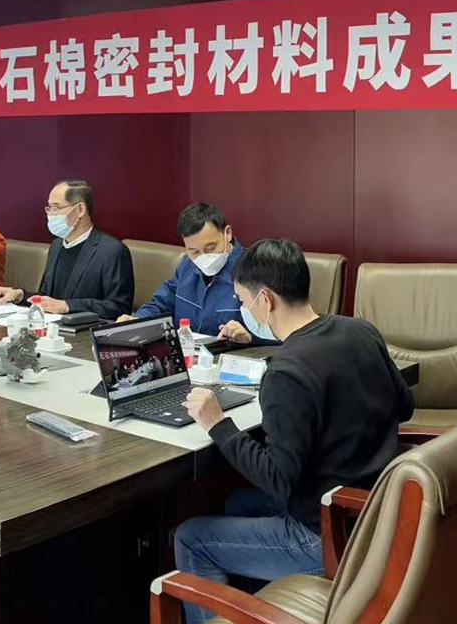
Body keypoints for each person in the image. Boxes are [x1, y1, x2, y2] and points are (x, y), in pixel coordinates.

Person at [173, 239, 414, 623]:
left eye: (243, 300)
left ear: (265, 300)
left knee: (190, 538)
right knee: (238, 504)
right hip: (378, 507)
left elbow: (279, 480)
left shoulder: (286, 372)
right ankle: (258, 608)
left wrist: (218, 425)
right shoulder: (360, 330)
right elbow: (406, 406)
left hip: (329, 534)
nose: (243, 310)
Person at [0, 179, 132, 319]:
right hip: (52, 328)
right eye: (49, 208)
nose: (50, 214)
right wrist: (19, 295)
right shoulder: (56, 245)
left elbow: (119, 307)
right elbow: (48, 297)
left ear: (80, 209)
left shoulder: (112, 251)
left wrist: (68, 306)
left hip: (87, 331)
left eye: (56, 208)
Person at [121, 203, 263, 344]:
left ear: (228, 233)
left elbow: (275, 331)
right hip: (188, 351)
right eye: (194, 251)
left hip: (235, 354)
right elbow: (162, 305)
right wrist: (138, 320)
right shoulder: (187, 265)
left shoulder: (254, 270)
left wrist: (250, 336)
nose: (203, 257)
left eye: (210, 248)